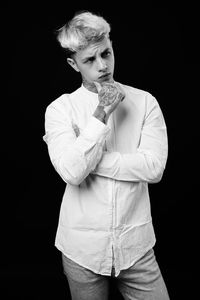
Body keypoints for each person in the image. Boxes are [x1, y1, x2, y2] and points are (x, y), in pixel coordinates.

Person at [43, 10, 170, 300]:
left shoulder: (145, 102)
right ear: (72, 64)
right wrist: (101, 114)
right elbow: (72, 173)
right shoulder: (59, 109)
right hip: (82, 248)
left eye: (107, 53)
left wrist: (89, 161)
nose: (103, 66)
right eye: (90, 60)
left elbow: (153, 168)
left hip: (136, 246)